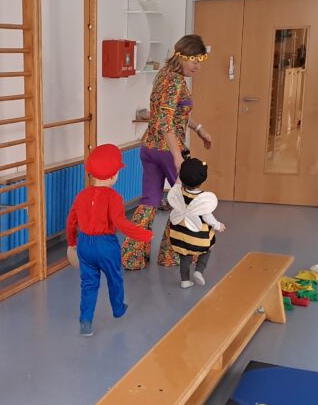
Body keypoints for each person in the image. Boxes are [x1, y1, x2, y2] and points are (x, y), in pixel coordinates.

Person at [121, 34, 213, 271]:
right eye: (193, 60)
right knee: (184, 203)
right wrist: (177, 157)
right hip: (167, 151)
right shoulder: (176, 81)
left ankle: (132, 256)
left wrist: (199, 130)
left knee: (149, 202)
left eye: (200, 61)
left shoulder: (164, 74)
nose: (197, 66)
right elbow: (165, 122)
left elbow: (175, 114)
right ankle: (171, 255)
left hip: (149, 148)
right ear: (181, 56)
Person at [66, 143, 153, 336]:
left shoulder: (81, 196)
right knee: (114, 277)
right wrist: (145, 235)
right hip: (106, 245)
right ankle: (118, 308)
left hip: (84, 244)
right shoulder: (114, 197)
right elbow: (121, 223)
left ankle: (85, 321)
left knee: (88, 283)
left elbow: (71, 221)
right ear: (114, 174)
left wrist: (72, 243)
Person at [167, 157, 226, 288]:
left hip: (180, 235)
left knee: (185, 256)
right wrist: (218, 225)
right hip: (197, 236)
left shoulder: (178, 192)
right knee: (207, 250)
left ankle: (185, 281)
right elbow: (207, 217)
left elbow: (177, 183)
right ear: (203, 179)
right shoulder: (202, 198)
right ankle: (199, 270)